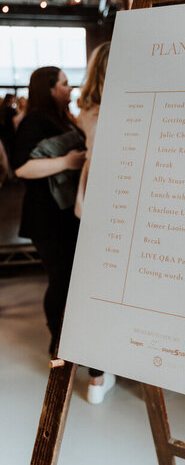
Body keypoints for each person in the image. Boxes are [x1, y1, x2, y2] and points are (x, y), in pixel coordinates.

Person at [13, 67, 86, 356]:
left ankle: (68, 340)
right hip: (46, 217)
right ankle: (58, 343)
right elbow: (22, 168)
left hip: (65, 214)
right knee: (60, 280)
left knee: (68, 279)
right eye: (65, 84)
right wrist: (67, 163)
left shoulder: (62, 118)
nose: (70, 88)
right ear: (50, 89)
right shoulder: (34, 121)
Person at [76, 42, 116, 404]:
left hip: (91, 196)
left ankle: (97, 376)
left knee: (94, 286)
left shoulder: (86, 110)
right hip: (121, 192)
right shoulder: (130, 105)